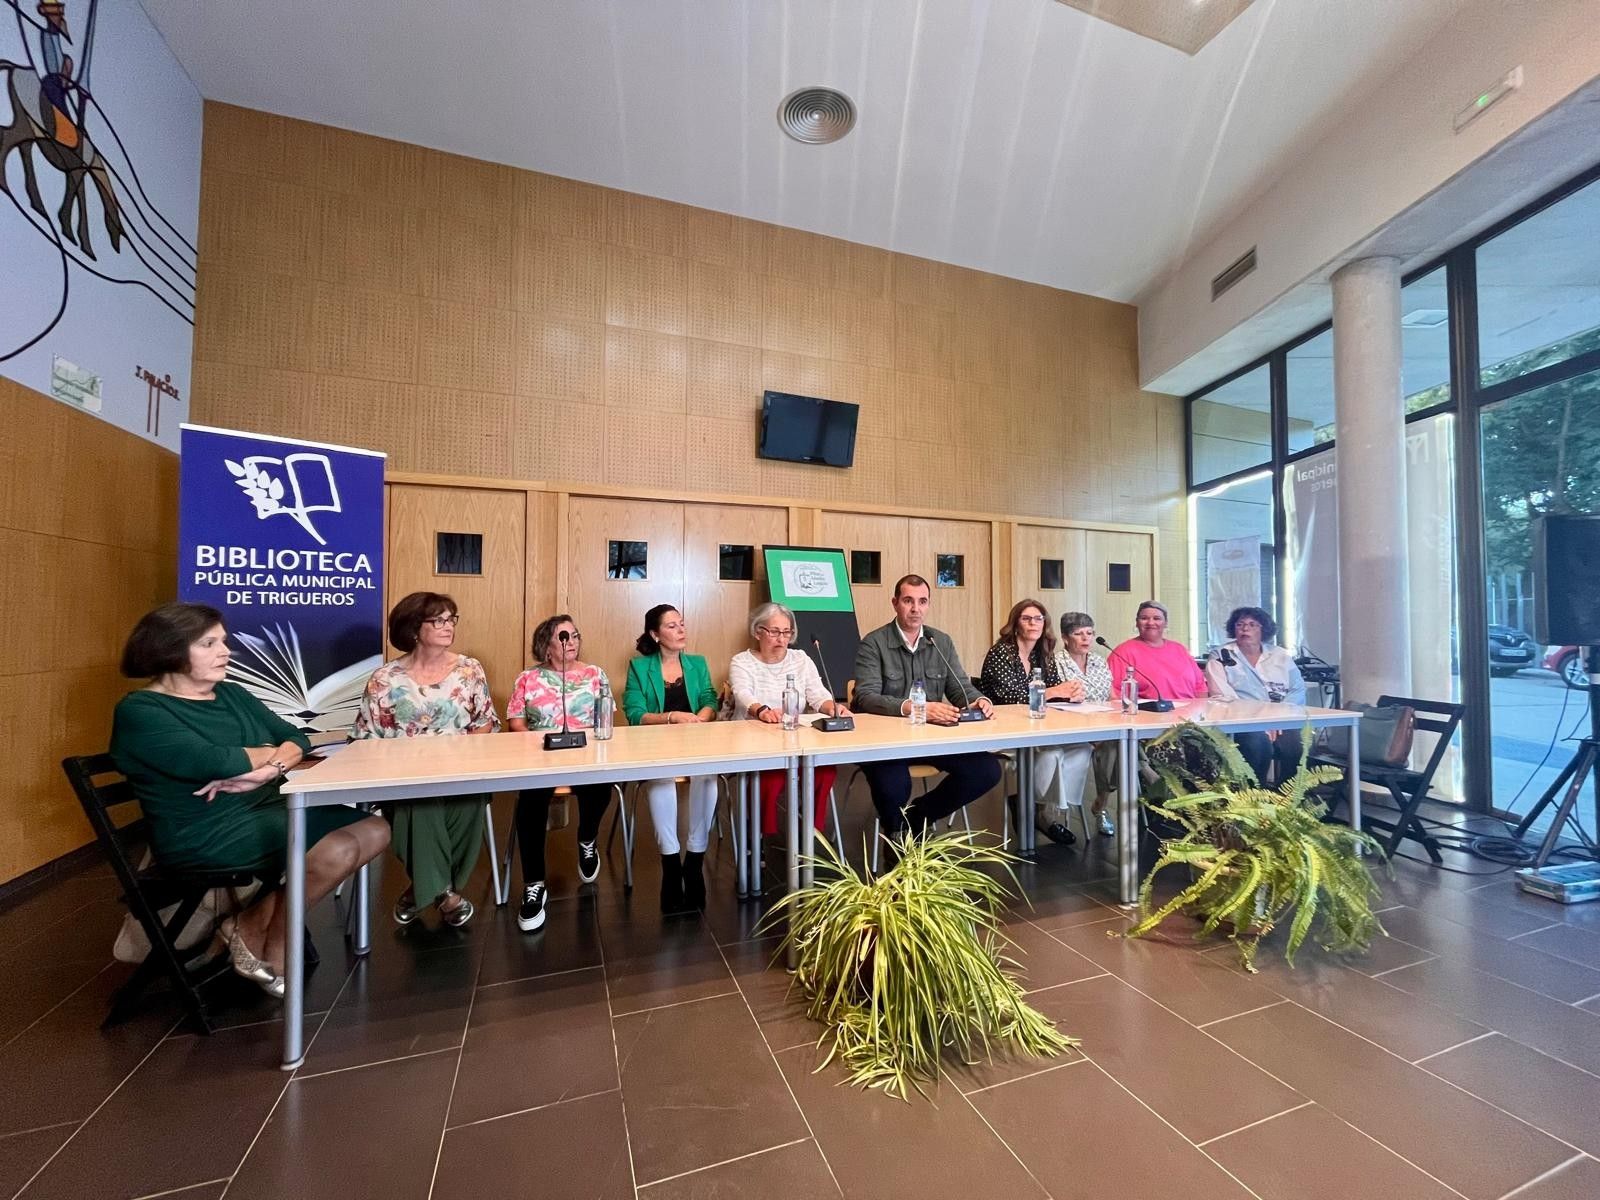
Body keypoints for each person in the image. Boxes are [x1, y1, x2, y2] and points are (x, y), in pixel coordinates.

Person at [110, 603, 389, 997]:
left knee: (376, 828)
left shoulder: (232, 694)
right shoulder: (141, 710)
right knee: (339, 846)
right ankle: (273, 940)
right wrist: (268, 752)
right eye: (209, 643)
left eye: (223, 641)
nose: (225, 651)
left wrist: (269, 768)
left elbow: (299, 737)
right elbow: (215, 760)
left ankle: (255, 923)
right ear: (169, 649)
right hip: (205, 830)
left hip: (265, 806)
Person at [354, 592, 499, 929]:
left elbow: (485, 723)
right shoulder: (384, 679)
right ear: (414, 628)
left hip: (461, 770)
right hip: (403, 776)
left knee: (471, 798)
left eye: (452, 619)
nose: (448, 626)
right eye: (439, 620)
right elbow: (366, 738)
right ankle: (445, 895)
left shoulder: (469, 670)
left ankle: (422, 888)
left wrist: (463, 763)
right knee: (420, 803)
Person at [852, 575, 1001, 839]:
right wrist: (916, 708)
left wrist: (979, 700)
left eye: (922, 601)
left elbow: (959, 687)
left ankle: (918, 817)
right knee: (895, 784)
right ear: (895, 603)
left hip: (932, 739)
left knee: (985, 770)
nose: (915, 609)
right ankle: (894, 835)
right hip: (886, 742)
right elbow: (865, 697)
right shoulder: (873, 643)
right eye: (908, 601)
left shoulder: (940, 641)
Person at [507, 615, 613, 932]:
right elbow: (516, 722)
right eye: (564, 636)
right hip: (542, 757)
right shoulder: (528, 678)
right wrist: (533, 750)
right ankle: (534, 884)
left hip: (586, 754)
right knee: (530, 803)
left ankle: (587, 839)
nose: (573, 641)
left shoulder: (595, 674)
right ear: (546, 645)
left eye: (575, 635)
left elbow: (606, 717)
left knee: (601, 786)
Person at [729, 601, 850, 851]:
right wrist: (762, 710)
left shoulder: (801, 659)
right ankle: (760, 834)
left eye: (786, 632)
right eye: (774, 632)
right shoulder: (742, 661)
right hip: (755, 741)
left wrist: (832, 708)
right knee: (770, 778)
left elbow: (817, 694)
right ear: (757, 631)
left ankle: (811, 830)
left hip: (796, 740)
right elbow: (742, 693)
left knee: (825, 771)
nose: (781, 638)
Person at [623, 605, 721, 913]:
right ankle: (669, 860)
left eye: (682, 624)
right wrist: (672, 717)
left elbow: (709, 699)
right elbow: (635, 714)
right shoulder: (640, 667)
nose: (681, 630)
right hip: (657, 743)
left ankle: (694, 859)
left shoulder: (697, 663)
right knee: (661, 779)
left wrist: (700, 720)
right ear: (655, 634)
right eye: (672, 626)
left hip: (697, 738)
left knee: (707, 777)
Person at [978, 599, 1092, 846]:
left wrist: (1071, 693)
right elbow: (1009, 697)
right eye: (1027, 618)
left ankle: (1033, 805)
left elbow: (1053, 690)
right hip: (1004, 730)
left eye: (1038, 618)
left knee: (1082, 749)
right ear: (1016, 624)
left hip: (1038, 727)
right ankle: (1041, 814)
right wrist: (1052, 692)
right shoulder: (1001, 652)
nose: (1033, 623)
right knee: (1050, 755)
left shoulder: (1043, 654)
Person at [1205, 605, 1308, 784]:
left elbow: (1297, 690)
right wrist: (1260, 721)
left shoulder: (1280, 655)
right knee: (1258, 744)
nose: (1245, 629)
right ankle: (1254, 797)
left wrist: (1277, 719)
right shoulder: (1221, 654)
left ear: (1263, 629)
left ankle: (1288, 799)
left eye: (1252, 624)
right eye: (1240, 624)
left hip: (1281, 719)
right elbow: (1221, 694)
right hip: (1243, 721)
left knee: (1295, 746)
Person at [1054, 611, 1119, 836]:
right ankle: (1102, 806)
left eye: (1089, 633)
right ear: (1065, 638)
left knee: (1120, 742)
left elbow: (1112, 696)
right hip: (1071, 726)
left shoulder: (1099, 661)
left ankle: (1101, 803)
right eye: (1078, 633)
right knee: (1117, 745)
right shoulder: (1055, 663)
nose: (1085, 639)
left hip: (1102, 724)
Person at [1106, 600, 1207, 703]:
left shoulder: (1180, 649)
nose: (1150, 623)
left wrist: (1201, 712)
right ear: (1137, 623)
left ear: (1166, 623)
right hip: (1149, 715)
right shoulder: (1122, 652)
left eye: (1157, 618)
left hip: (1189, 715)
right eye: (1144, 618)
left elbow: (1200, 687)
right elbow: (1114, 694)